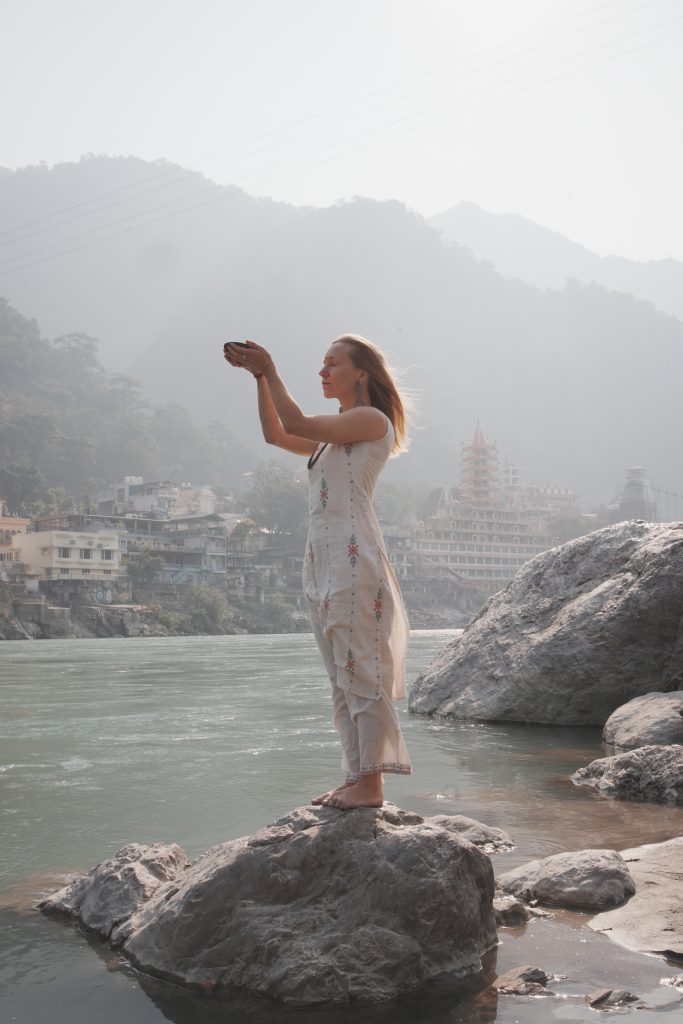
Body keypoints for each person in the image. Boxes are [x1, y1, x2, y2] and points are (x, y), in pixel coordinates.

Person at [224, 335, 412, 809]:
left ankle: (372, 786)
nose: (323, 372)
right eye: (322, 365)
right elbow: (277, 434)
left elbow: (296, 422)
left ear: (362, 373)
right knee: (340, 678)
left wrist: (271, 367)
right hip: (321, 561)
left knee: (361, 672)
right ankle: (355, 776)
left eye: (333, 364)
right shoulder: (330, 439)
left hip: (354, 557)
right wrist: (260, 378)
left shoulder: (371, 420)